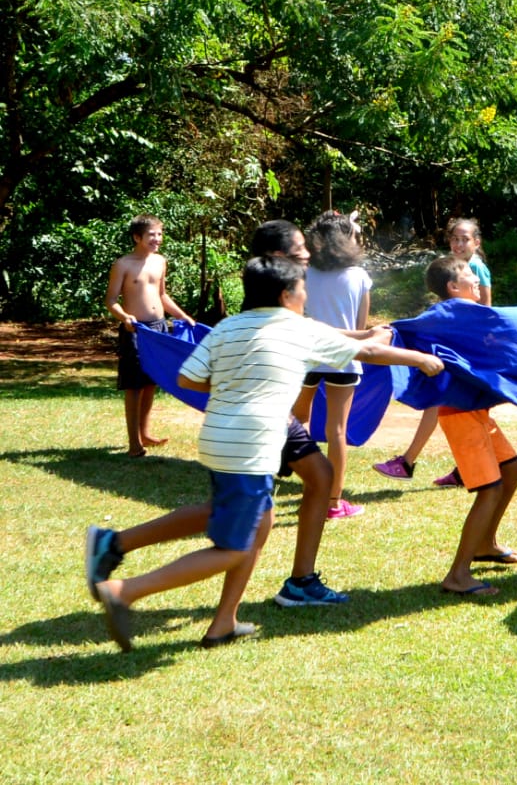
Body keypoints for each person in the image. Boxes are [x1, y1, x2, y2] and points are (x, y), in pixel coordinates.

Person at [85, 255, 445, 651]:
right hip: (251, 447)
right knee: (235, 548)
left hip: (219, 440)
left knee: (248, 523)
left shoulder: (228, 327)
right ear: (286, 294)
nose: (306, 295)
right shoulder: (295, 328)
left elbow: (188, 376)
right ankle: (125, 591)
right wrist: (421, 359)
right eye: (302, 288)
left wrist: (235, 392)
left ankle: (222, 623)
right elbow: (369, 356)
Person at [85, 220, 371, 612]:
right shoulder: (274, 302)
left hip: (262, 416)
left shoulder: (279, 295)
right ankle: (130, 564)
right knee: (249, 517)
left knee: (308, 483)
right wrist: (384, 344)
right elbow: (318, 337)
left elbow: (321, 333)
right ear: (277, 256)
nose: (307, 253)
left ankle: (271, 593)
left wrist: (371, 335)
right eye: (299, 247)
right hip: (258, 417)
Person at [418, 254, 517, 596]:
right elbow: (420, 329)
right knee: (489, 488)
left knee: (513, 470)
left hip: (477, 412)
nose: (476, 279)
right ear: (453, 288)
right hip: (459, 413)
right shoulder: (444, 314)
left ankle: (485, 544)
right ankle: (458, 575)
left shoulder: (468, 315)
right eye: (469, 276)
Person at [374, 216, 490, 487]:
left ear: (477, 242)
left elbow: (486, 311)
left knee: (458, 409)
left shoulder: (475, 271)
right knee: (455, 409)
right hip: (456, 354)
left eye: (465, 239)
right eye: (455, 238)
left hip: (465, 355)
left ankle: (412, 462)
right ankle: (447, 467)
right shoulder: (453, 270)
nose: (459, 243)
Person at [291, 211, 372, 521]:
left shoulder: (304, 273)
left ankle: (298, 480)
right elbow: (361, 326)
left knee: (296, 419)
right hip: (344, 356)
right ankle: (334, 502)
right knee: (336, 430)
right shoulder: (359, 276)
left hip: (306, 354)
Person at [103, 213, 195, 457]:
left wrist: (183, 315)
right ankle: (134, 443)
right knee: (133, 386)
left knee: (151, 382)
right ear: (137, 237)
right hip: (136, 331)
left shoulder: (160, 261)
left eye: (160, 234)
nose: (157, 239)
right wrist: (124, 317)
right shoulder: (122, 264)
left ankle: (145, 433)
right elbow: (111, 300)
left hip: (159, 329)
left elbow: (162, 295)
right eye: (152, 234)